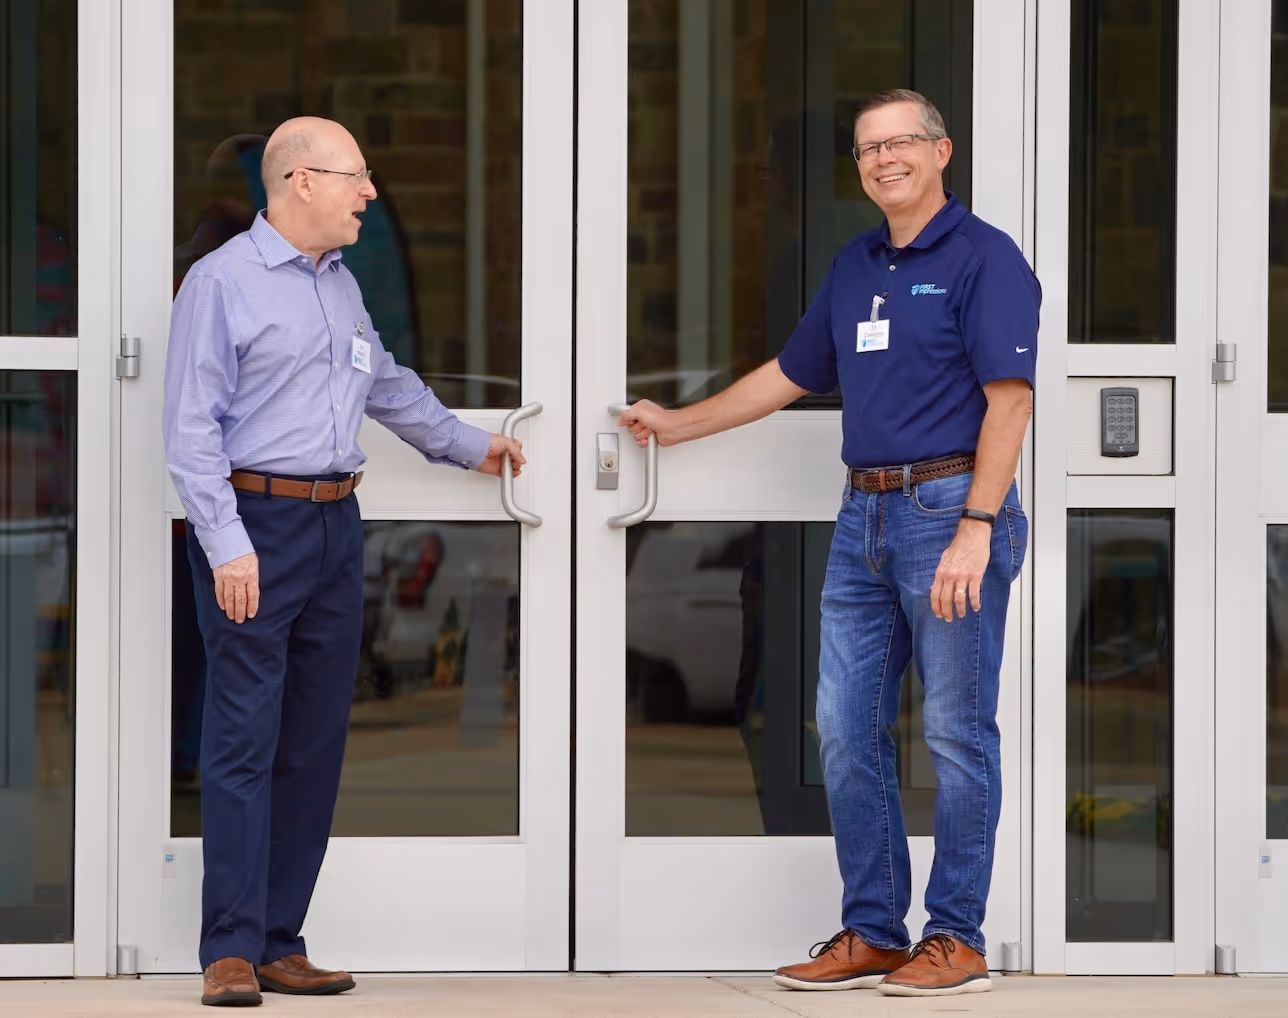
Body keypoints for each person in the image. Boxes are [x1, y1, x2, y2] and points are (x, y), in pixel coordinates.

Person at [619, 88, 1038, 998]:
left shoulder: (984, 259)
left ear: (941, 152)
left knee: (959, 736)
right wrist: (679, 425)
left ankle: (956, 938)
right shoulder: (856, 265)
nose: (884, 160)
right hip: (865, 520)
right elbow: (789, 374)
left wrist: (976, 526)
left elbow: (1012, 402)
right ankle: (876, 931)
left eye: (901, 144)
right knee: (843, 730)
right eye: (867, 149)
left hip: (948, 511)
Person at [162, 116, 524, 1008]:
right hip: (255, 523)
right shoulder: (220, 284)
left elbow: (386, 383)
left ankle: (282, 939)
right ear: (299, 183)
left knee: (315, 744)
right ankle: (231, 949)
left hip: (334, 527)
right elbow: (189, 431)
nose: (370, 194)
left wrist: (471, 446)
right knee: (242, 740)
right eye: (357, 177)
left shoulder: (340, 285)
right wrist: (227, 543)